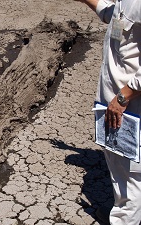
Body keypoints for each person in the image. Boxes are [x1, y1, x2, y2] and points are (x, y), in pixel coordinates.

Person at [74, 0, 141, 224]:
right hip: (119, 104)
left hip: (129, 109)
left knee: (130, 179)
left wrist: (123, 97)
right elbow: (116, 18)